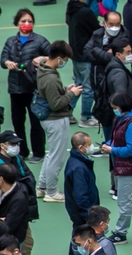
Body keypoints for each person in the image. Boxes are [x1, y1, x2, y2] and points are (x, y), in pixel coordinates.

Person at [0, 8, 50, 162]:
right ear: (17, 23)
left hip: (33, 88)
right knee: (18, 122)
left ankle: (38, 152)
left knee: (36, 122)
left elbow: (53, 58)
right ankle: (22, 151)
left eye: (29, 21)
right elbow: (3, 59)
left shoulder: (40, 41)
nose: (26, 24)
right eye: (23, 21)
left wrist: (42, 58)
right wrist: (8, 62)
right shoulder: (10, 41)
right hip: (15, 89)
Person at [36, 40, 83, 203]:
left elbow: (53, 95)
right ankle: (51, 191)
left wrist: (65, 90)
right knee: (57, 158)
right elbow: (56, 104)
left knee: (51, 155)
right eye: (64, 60)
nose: (64, 63)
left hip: (49, 119)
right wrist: (72, 94)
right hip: (55, 120)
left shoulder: (43, 69)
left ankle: (42, 187)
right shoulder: (50, 78)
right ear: (58, 58)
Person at [103, 93, 132, 245]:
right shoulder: (123, 119)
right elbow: (117, 139)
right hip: (123, 167)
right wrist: (109, 144)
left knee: (125, 202)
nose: (114, 110)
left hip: (129, 168)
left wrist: (111, 150)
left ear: (122, 107)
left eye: (115, 108)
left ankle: (121, 233)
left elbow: (131, 149)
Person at [65, 0, 100, 129]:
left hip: (75, 54)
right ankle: (86, 117)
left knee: (79, 85)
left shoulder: (71, 8)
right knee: (88, 88)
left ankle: (67, 111)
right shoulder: (86, 12)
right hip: (85, 56)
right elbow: (97, 31)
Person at [64, 132, 99, 234]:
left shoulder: (76, 161)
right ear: (81, 147)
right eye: (89, 144)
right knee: (82, 238)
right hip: (83, 215)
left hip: (79, 212)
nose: (92, 146)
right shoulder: (79, 168)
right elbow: (81, 196)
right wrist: (89, 216)